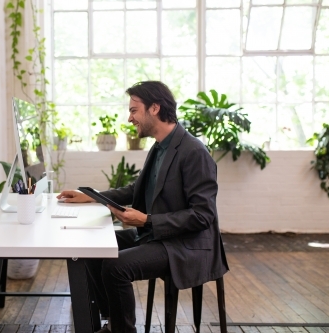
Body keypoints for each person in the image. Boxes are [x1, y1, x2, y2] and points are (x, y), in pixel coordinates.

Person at [57, 81, 229, 333]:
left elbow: (203, 216)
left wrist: (147, 220)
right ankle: (113, 324)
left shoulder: (194, 152)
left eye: (134, 110)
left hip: (186, 244)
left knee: (116, 266)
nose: (130, 118)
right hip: (158, 235)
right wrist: (92, 196)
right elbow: (135, 190)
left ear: (155, 108)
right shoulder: (159, 148)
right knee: (93, 250)